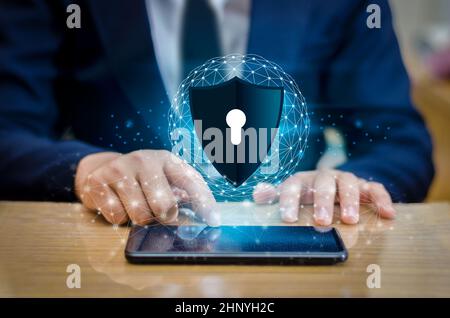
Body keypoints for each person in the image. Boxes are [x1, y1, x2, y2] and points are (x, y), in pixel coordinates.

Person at [0, 0, 434, 227]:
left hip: (289, 248)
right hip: (111, 243)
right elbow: (8, 131)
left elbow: (402, 142)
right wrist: (85, 168)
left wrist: (352, 184)